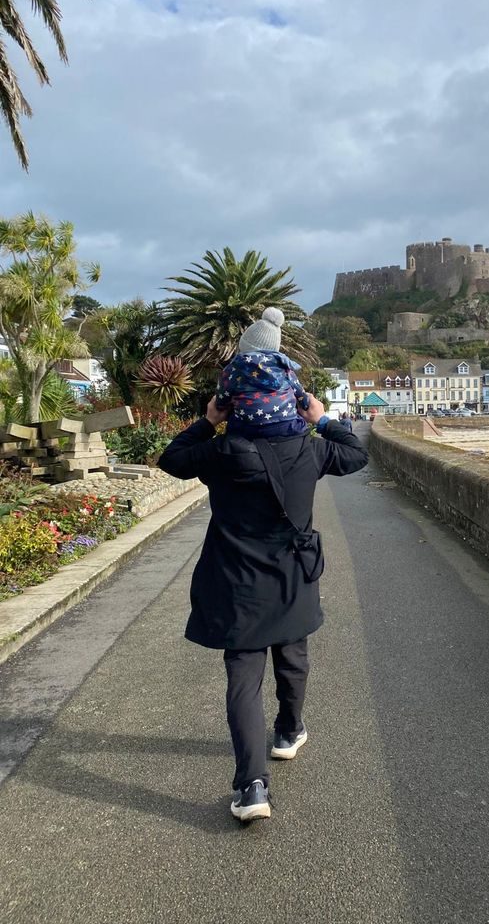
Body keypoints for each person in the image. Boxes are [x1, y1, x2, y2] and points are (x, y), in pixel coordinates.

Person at [157, 387, 368, 823]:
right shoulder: (309, 451)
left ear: (236, 406)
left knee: (243, 677)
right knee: (293, 657)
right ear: (288, 403)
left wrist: (209, 419)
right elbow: (356, 453)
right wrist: (321, 419)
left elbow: (171, 458)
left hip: (237, 583)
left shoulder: (221, 452)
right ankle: (288, 732)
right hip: (291, 577)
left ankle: (251, 786)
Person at [215, 307, 309, 438]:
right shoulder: (285, 369)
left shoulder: (234, 368)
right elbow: (303, 400)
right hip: (287, 427)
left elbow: (221, 400)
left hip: (246, 428)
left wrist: (221, 406)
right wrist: (305, 404)